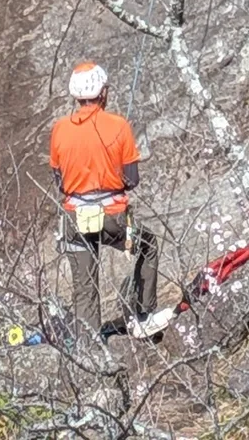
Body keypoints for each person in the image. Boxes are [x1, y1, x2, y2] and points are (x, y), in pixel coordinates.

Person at [49, 59, 169, 338]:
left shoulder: (60, 129)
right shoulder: (118, 125)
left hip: (74, 216)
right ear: (103, 93)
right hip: (111, 215)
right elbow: (132, 179)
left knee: (85, 285)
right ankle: (142, 314)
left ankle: (89, 345)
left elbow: (59, 180)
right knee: (147, 244)